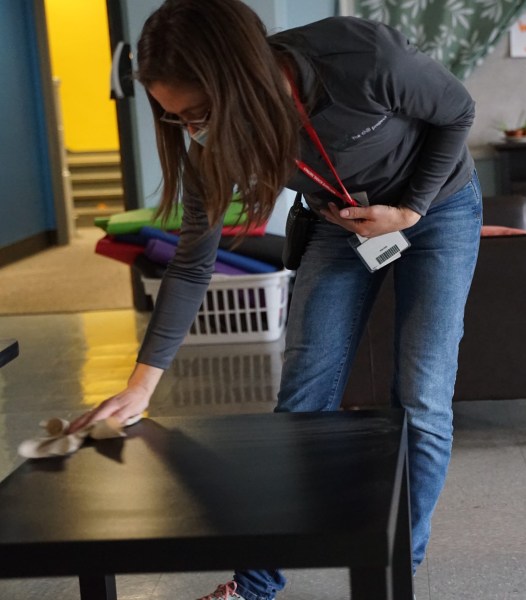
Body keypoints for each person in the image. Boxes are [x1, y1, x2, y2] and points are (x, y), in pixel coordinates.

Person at [68, 1, 482, 598]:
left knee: (421, 395)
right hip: (342, 225)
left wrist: (410, 208)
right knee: (302, 400)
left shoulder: (361, 59)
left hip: (438, 208)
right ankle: (257, 583)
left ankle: (396, 569)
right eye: (175, 118)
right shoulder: (210, 141)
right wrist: (140, 386)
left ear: (240, 74)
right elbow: (191, 265)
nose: (194, 132)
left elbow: (457, 112)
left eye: (199, 112)